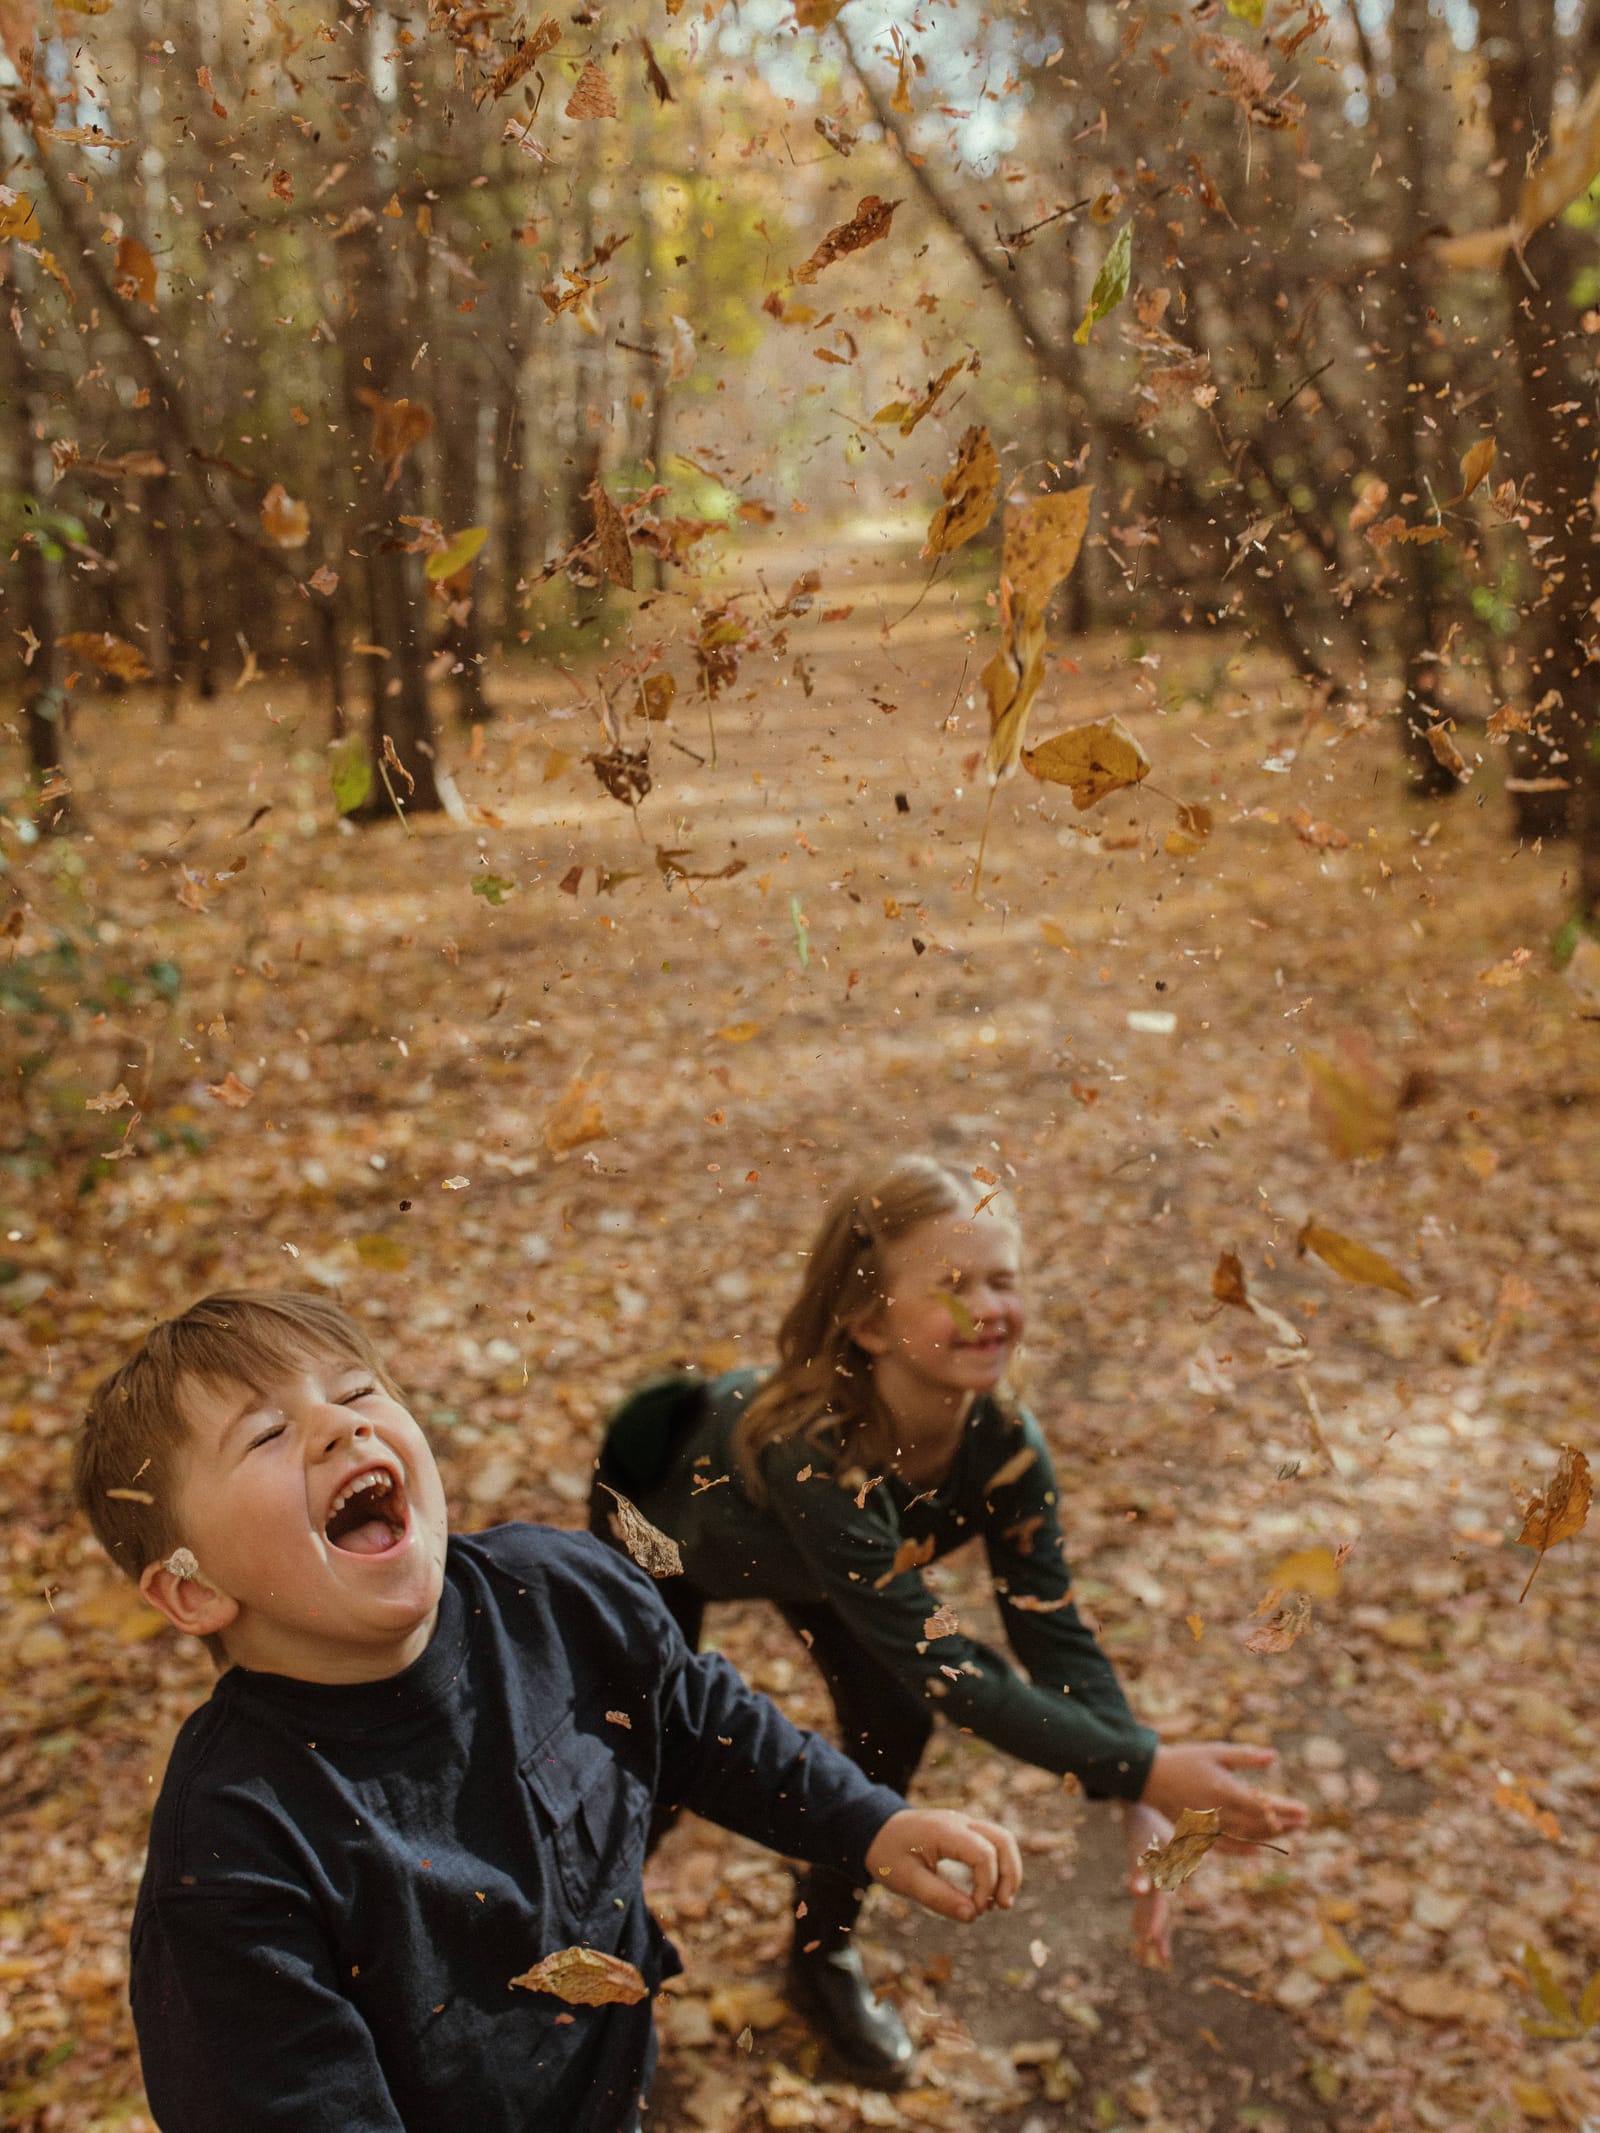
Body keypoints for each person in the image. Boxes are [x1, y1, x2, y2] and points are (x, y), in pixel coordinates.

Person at [72, 1289, 1024, 2133]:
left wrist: (868, 1822)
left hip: (610, 2080)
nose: (338, 1426)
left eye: (357, 1391)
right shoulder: (232, 1859)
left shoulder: (558, 1591)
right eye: (266, 1434)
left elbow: (697, 1718)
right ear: (192, 1587)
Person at [593, 1155, 1309, 2087]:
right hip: (669, 1529)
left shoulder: (1004, 1444)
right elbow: (951, 1669)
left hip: (828, 1565)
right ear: (869, 1322)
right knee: (642, 1748)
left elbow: (1051, 1630)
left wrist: (1133, 1781)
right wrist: (1143, 1765)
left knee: (892, 1724)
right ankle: (585, 1945)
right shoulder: (813, 1454)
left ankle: (820, 1951)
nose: (988, 1307)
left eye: (1003, 1279)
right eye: (953, 1285)